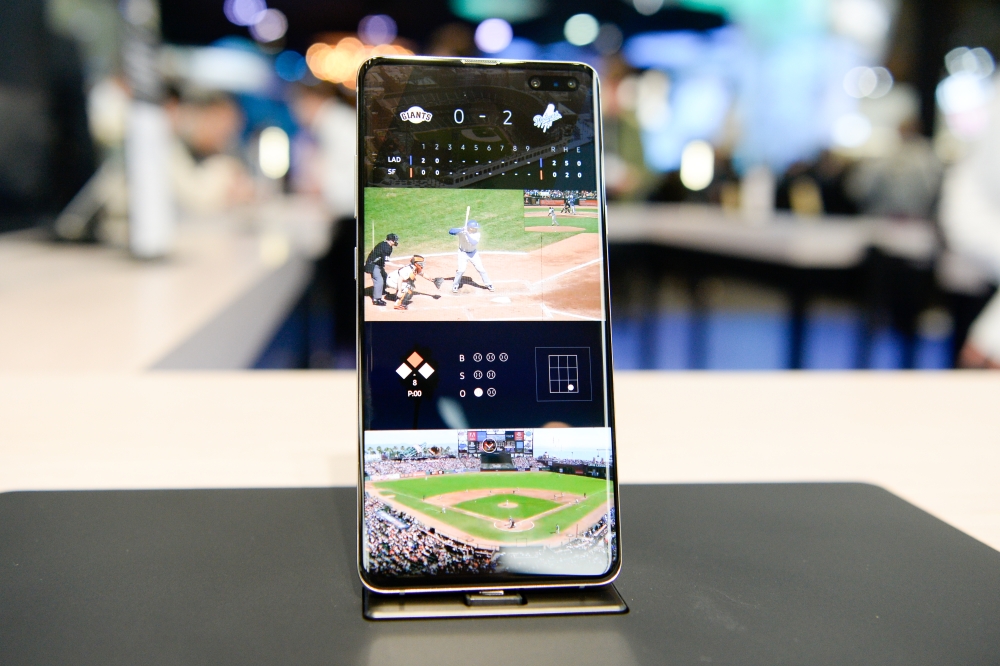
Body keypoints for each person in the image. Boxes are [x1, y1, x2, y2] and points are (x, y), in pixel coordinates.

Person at [449, 218, 494, 292]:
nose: (476, 229)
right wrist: (461, 230)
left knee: (481, 269)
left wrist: (467, 233)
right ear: (471, 228)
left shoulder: (477, 234)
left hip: (473, 254)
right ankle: (455, 285)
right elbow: (451, 231)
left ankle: (488, 284)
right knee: (461, 270)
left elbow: (473, 242)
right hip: (462, 253)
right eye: (475, 228)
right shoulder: (462, 231)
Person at [364, 233, 398, 306]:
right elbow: (387, 262)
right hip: (372, 265)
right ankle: (376, 299)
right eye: (395, 240)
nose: (396, 242)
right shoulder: (385, 247)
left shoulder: (388, 246)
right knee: (379, 280)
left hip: (378, 264)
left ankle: (381, 291)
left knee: (384, 277)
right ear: (390, 241)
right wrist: (398, 265)